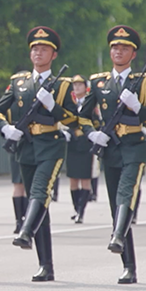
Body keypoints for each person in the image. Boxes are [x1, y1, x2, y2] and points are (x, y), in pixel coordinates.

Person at [0, 26, 78, 282]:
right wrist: (6, 128)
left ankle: (25, 231)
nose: (38, 52)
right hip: (26, 146)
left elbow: (73, 118)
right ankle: (46, 265)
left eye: (44, 49)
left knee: (40, 192)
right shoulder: (18, 82)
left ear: (54, 55)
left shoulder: (62, 85)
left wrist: (53, 106)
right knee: (37, 201)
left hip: (51, 144)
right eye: (34, 48)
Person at [81, 26, 146, 284]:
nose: (118, 51)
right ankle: (129, 266)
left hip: (134, 145)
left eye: (124, 48)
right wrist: (92, 133)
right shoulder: (98, 82)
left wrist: (138, 107)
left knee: (127, 193)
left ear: (133, 53)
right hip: (110, 148)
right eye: (115, 47)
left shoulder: (144, 82)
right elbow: (83, 114)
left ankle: (117, 237)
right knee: (116, 204)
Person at [65, 74, 93, 223]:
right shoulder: (69, 102)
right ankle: (77, 208)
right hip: (72, 144)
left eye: (79, 85)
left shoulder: (90, 102)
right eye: (74, 85)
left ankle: (81, 212)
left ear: (85, 87)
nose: (76, 87)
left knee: (85, 180)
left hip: (85, 143)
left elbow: (96, 121)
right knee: (73, 180)